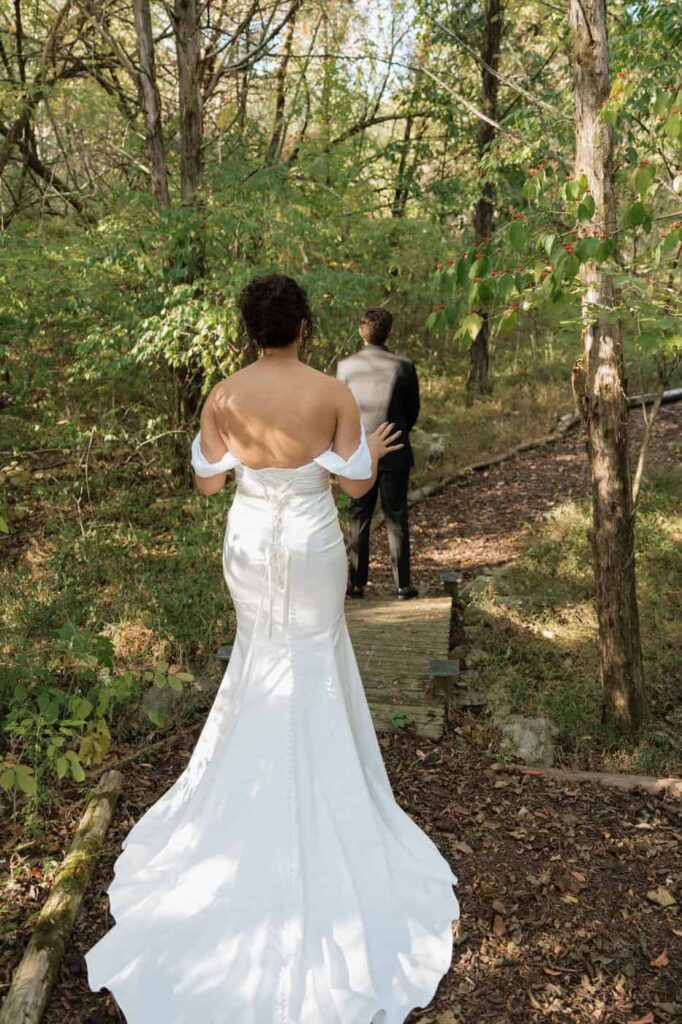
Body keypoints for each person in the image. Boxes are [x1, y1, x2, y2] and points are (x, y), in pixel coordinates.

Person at [83, 274, 459, 1024]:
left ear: (249, 327)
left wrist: (231, 452)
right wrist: (362, 454)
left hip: (251, 541)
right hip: (313, 544)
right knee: (313, 655)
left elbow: (206, 484)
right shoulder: (331, 392)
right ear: (304, 326)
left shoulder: (223, 395)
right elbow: (357, 491)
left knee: (260, 654)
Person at [336, 307, 420, 600]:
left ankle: (355, 584)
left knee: (359, 515)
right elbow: (412, 411)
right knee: (396, 515)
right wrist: (395, 432)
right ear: (390, 333)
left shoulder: (345, 367)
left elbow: (341, 412)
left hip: (359, 451)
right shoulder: (404, 366)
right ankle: (402, 585)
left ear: (361, 331)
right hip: (395, 447)